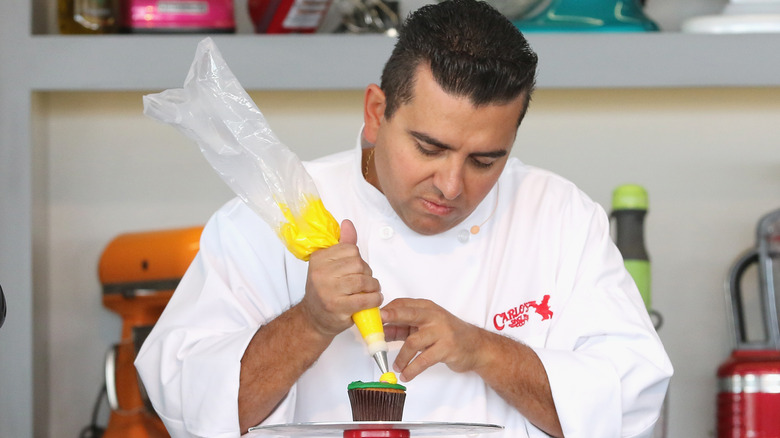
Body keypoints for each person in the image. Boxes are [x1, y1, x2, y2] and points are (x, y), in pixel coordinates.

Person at [135, 0, 673, 436]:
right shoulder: (270, 216)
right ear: (376, 113)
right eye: (428, 147)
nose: (451, 185)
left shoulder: (561, 218)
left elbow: (630, 407)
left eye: (485, 160)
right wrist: (310, 323)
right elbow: (185, 407)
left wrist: (484, 350)